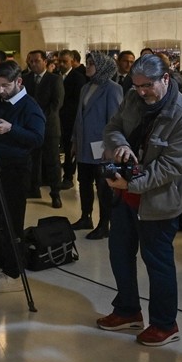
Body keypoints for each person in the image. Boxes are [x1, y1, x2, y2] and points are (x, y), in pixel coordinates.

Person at [97, 53, 182, 346]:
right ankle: (128, 310)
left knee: (157, 262)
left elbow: (171, 167)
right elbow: (113, 128)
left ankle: (165, 324)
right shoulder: (132, 98)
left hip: (158, 202)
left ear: (165, 78)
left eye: (148, 85)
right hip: (125, 198)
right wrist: (121, 148)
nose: (142, 92)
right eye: (137, 85)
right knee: (119, 253)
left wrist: (132, 182)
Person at [0, 60, 45, 293]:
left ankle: (14, 273)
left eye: (5, 85)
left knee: (10, 224)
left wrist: (12, 129)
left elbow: (37, 138)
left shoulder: (30, 107)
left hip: (14, 171)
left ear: (18, 82)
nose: (0, 90)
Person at [71, 51, 124, 240]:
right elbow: (79, 117)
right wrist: (75, 141)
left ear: (102, 66)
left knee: (104, 186)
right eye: (88, 62)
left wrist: (111, 146)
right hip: (85, 144)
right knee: (84, 182)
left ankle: (104, 224)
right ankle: (86, 217)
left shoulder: (112, 88)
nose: (88, 66)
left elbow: (115, 120)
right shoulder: (86, 88)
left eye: (92, 63)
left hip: (103, 147)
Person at [23, 50, 63, 200]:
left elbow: (56, 104)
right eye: (31, 61)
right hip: (31, 128)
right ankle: (34, 188)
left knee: (52, 161)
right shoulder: (25, 79)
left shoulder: (54, 79)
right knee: (33, 160)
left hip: (49, 127)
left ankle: (55, 192)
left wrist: (39, 119)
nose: (33, 64)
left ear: (45, 61)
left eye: (36, 61)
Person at [57, 49, 86, 201]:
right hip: (57, 119)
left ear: (71, 61)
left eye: (65, 62)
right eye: (60, 61)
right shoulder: (56, 76)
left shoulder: (77, 78)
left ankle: (68, 176)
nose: (61, 64)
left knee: (69, 150)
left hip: (70, 119)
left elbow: (76, 102)